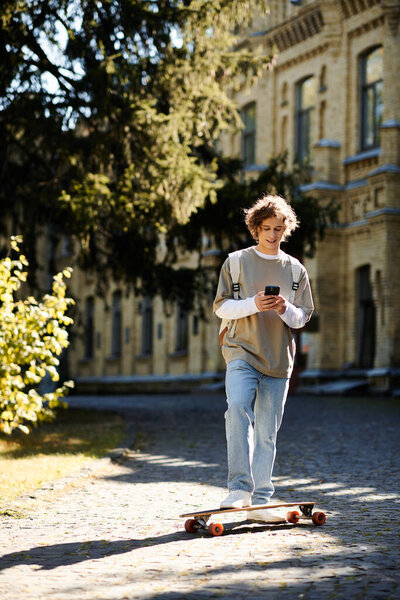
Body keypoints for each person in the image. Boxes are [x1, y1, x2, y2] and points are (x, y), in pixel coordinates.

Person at [213, 193, 314, 522]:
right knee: (238, 408)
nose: (273, 234)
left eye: (279, 228)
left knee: (268, 431)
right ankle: (239, 490)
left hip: (279, 359)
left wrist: (286, 309)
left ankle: (261, 500)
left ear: (286, 229)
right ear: (255, 228)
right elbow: (221, 307)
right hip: (240, 350)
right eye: (267, 228)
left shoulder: (296, 270)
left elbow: (303, 317)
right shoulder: (237, 262)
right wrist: (254, 304)